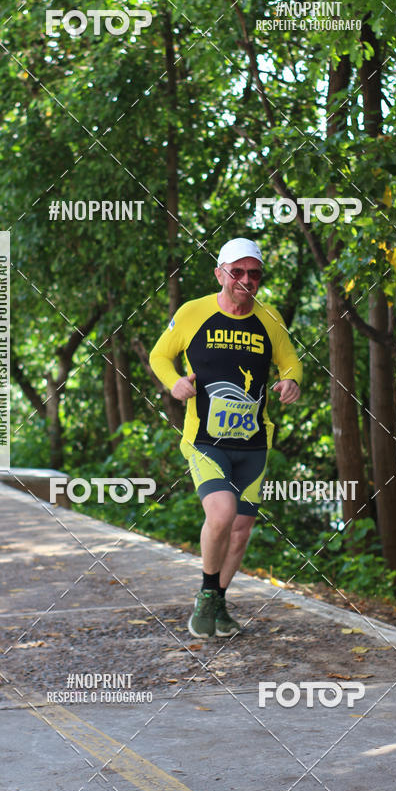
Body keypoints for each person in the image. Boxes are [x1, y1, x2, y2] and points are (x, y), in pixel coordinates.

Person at [149, 238, 302, 638]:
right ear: (220, 273)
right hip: (204, 439)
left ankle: (217, 604)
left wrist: (291, 383)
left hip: (253, 444)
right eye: (237, 272)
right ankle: (206, 595)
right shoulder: (192, 313)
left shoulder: (269, 319)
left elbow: (291, 363)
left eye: (254, 273)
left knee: (241, 528)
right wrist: (174, 384)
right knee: (221, 514)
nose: (246, 280)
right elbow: (159, 356)